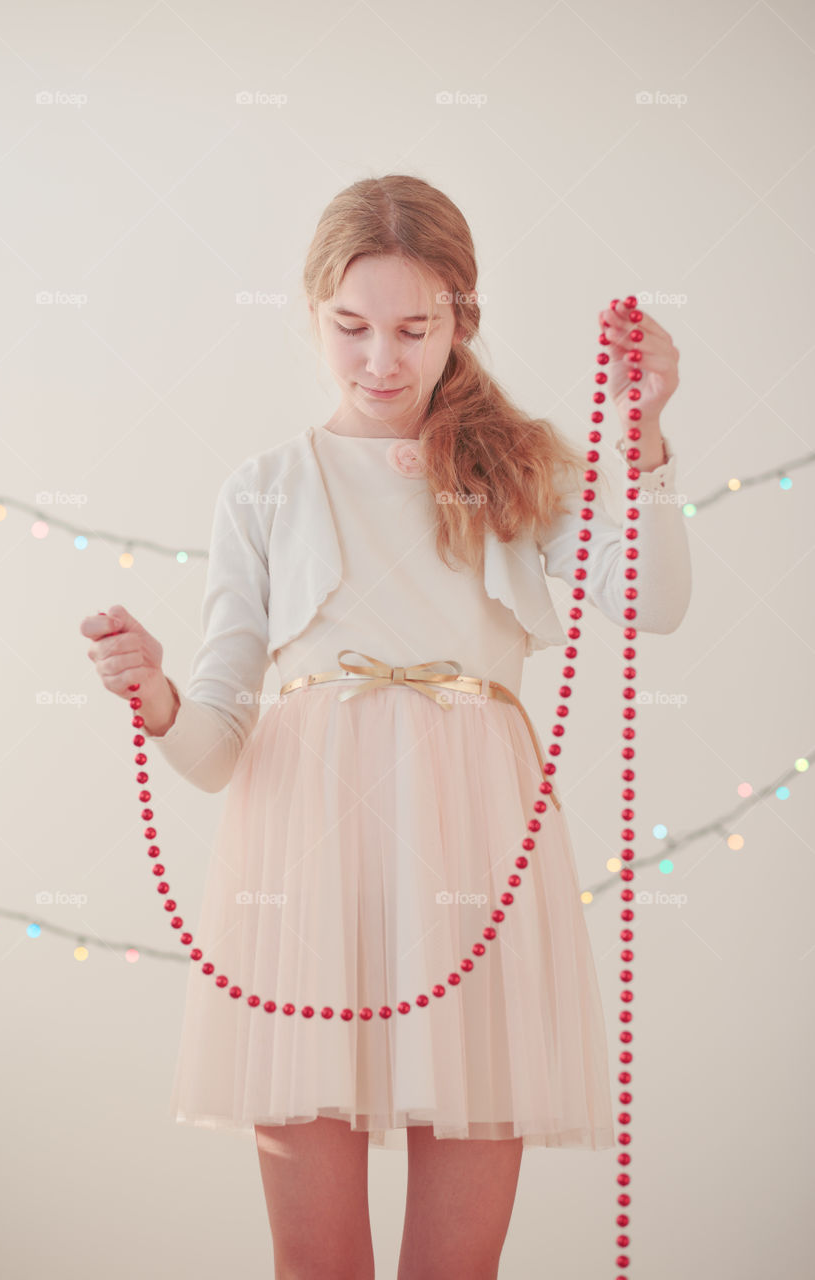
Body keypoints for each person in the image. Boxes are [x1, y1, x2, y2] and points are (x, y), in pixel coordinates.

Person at [81, 174, 691, 1280]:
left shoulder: (519, 467)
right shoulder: (266, 488)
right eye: (350, 327)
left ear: (461, 318)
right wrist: (157, 694)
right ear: (312, 314)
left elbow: (653, 600)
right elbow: (215, 747)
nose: (380, 360)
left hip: (477, 870)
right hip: (305, 880)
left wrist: (639, 435)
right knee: (316, 1263)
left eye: (414, 329)